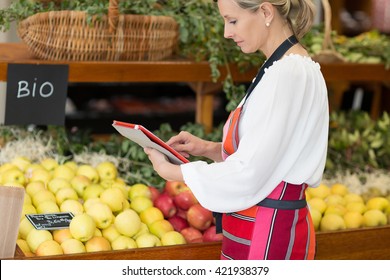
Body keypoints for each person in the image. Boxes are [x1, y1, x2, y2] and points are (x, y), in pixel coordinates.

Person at [144, 0, 329, 260]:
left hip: (267, 233)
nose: (226, 33)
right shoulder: (286, 68)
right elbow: (271, 157)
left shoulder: (288, 75)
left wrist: (172, 171)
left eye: (232, 21)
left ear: (265, 12)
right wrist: (209, 149)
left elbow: (250, 172)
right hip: (264, 224)